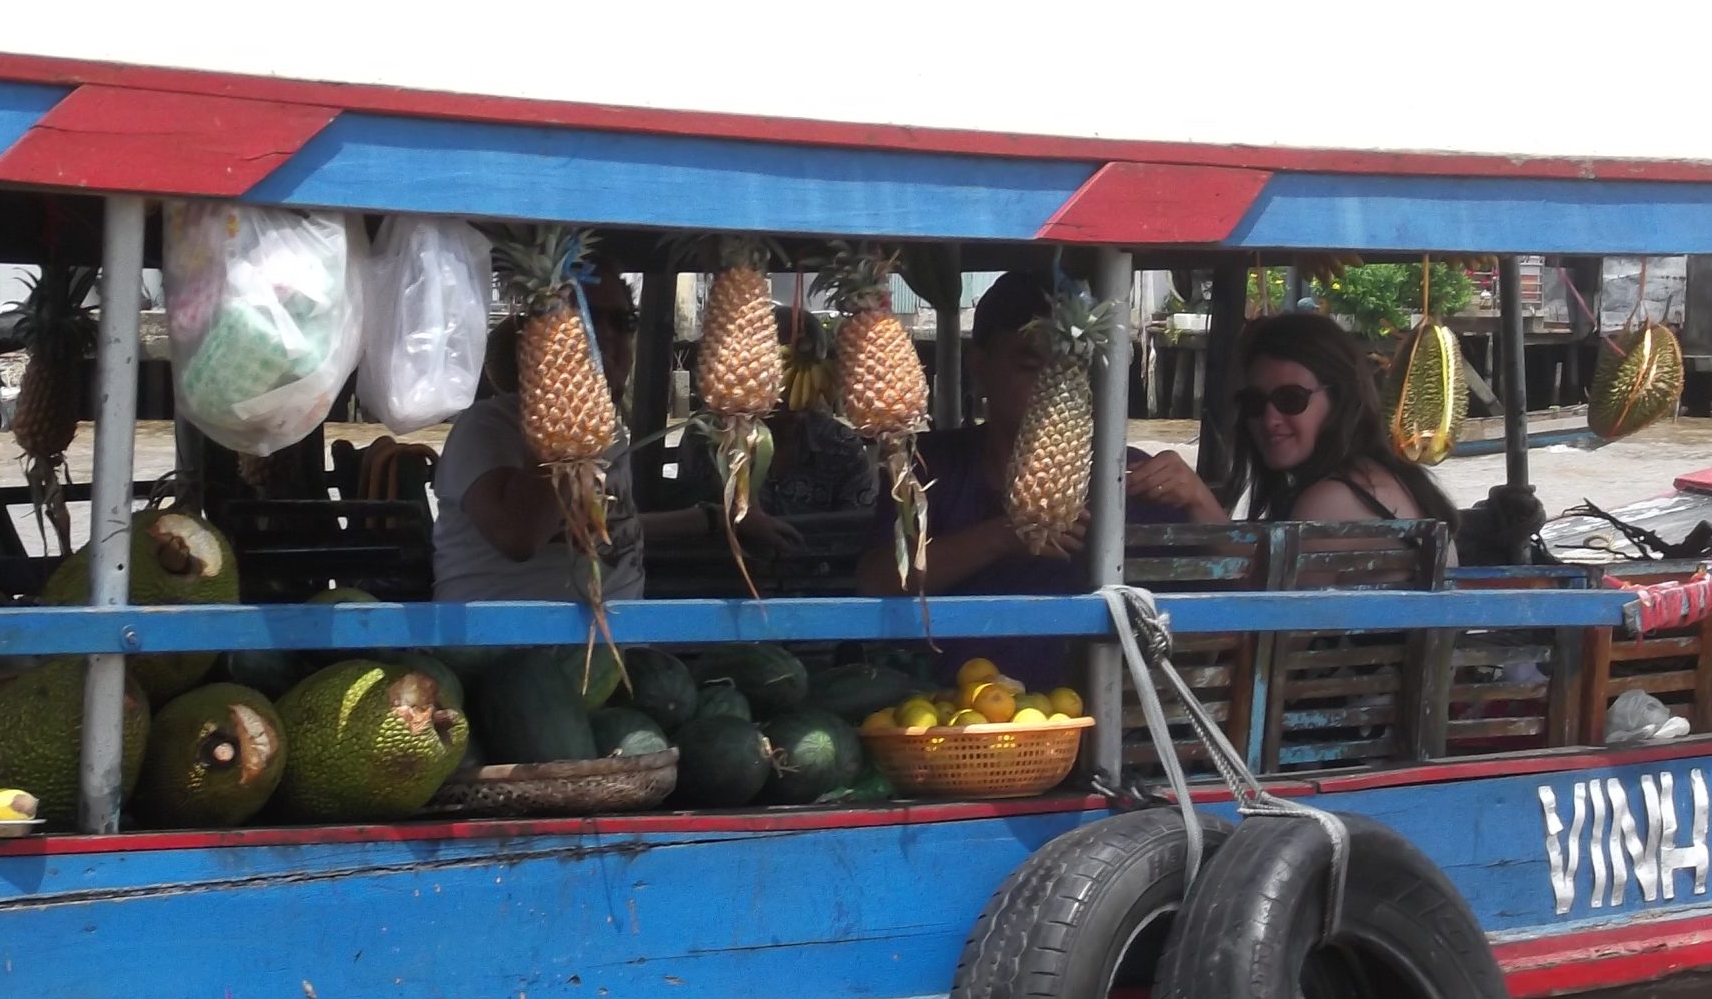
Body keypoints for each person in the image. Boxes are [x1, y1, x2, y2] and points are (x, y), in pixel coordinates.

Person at [856, 268, 1184, 687]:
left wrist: (1197, 500)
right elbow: (875, 578)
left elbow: (1224, 580)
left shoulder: (1120, 476)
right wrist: (1004, 535)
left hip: (1083, 713)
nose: (1051, 387)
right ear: (979, 365)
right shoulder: (928, 464)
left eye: (1067, 373)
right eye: (1031, 366)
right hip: (953, 710)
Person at [435, 273, 783, 601]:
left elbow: (612, 529)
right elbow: (519, 536)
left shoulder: (609, 430)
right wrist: (563, 411)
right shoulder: (485, 426)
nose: (607, 337)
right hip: (517, 648)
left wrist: (712, 518)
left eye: (624, 322)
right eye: (583, 319)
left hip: (618, 644)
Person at [1141, 309, 1457, 530]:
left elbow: (1264, 614)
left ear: (1339, 400)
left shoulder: (1333, 501)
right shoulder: (1385, 478)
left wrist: (1199, 500)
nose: (1269, 419)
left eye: (1290, 400)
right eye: (1254, 403)